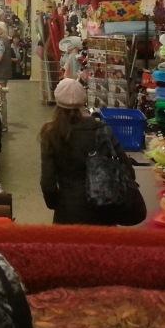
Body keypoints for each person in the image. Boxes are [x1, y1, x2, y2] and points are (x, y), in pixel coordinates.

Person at [39, 78, 144, 225]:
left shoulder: (51, 134)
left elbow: (47, 182)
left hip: (67, 213)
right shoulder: (102, 130)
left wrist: (56, 203)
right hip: (103, 212)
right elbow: (127, 170)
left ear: (57, 103)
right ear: (83, 102)